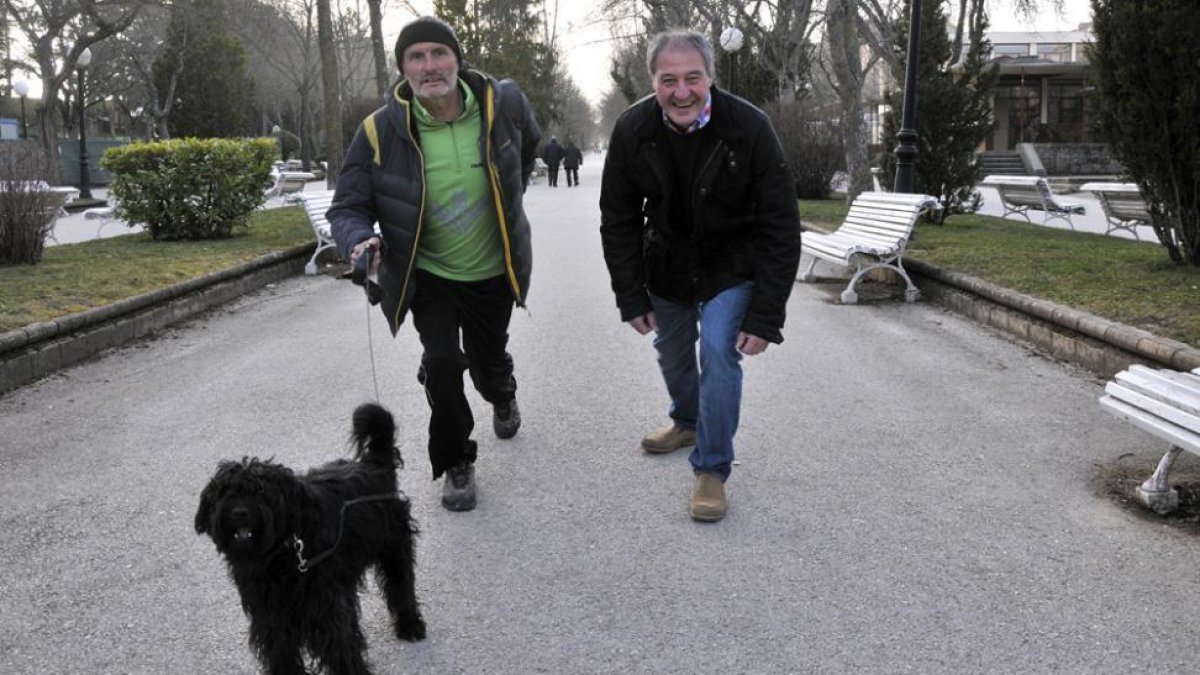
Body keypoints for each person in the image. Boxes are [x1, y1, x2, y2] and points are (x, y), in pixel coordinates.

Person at [328, 15, 541, 512]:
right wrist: (358, 241)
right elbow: (347, 207)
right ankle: (456, 462)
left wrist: (510, 195)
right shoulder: (379, 131)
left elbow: (525, 148)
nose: (429, 66)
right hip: (428, 274)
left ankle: (502, 391)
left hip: (492, 268)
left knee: (488, 368)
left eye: (438, 54)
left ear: (457, 59)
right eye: (416, 58)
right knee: (442, 363)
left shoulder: (500, 105)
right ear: (402, 70)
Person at [598, 29, 801, 523]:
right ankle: (687, 421)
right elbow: (618, 218)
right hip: (666, 263)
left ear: (710, 76)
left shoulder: (748, 127)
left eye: (693, 77)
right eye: (669, 80)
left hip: (731, 263)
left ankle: (712, 467)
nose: (681, 91)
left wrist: (766, 313)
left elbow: (780, 222)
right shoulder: (633, 129)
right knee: (671, 353)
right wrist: (630, 295)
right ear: (654, 82)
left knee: (717, 350)